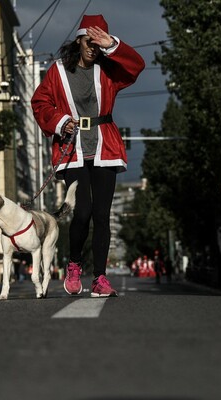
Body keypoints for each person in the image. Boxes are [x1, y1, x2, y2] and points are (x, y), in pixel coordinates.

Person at [31, 14, 145, 297]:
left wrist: (113, 45)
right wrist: (59, 121)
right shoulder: (57, 71)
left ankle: (100, 279)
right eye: (89, 42)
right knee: (81, 212)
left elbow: (137, 66)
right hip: (73, 150)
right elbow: (40, 102)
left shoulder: (109, 70)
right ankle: (74, 264)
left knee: (102, 216)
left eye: (99, 43)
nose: (94, 48)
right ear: (78, 41)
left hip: (105, 147)